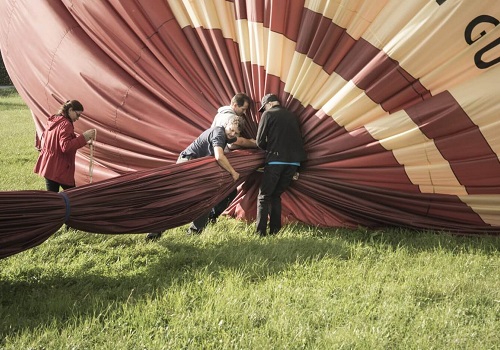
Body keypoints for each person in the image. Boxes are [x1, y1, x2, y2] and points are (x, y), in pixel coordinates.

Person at [145, 115, 244, 240]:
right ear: (226, 125)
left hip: (198, 167)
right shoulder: (219, 133)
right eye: (231, 129)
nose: (232, 133)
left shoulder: (226, 135)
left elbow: (237, 141)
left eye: (236, 132)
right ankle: (154, 232)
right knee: (179, 200)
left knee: (207, 198)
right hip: (188, 165)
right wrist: (233, 172)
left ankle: (195, 232)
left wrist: (254, 143)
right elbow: (219, 156)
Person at [255, 94, 307, 236]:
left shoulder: (268, 114)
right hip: (293, 163)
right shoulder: (292, 116)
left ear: (270, 104)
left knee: (264, 196)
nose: (264, 109)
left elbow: (259, 141)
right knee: (276, 195)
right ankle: (275, 231)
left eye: (264, 106)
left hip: (276, 161)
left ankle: (260, 233)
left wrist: (270, 148)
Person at [209, 93, 257, 222]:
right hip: (223, 157)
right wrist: (254, 144)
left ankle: (209, 218)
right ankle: (211, 217)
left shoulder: (219, 115)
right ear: (235, 105)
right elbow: (234, 142)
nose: (244, 112)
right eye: (243, 109)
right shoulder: (231, 118)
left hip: (213, 156)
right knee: (228, 192)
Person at [34, 100, 96, 192]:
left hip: (49, 166)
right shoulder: (66, 124)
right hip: (60, 169)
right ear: (70, 110)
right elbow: (66, 147)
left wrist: (84, 141)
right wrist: (84, 137)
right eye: (78, 115)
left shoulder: (54, 120)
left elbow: (60, 141)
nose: (78, 118)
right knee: (73, 197)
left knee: (52, 199)